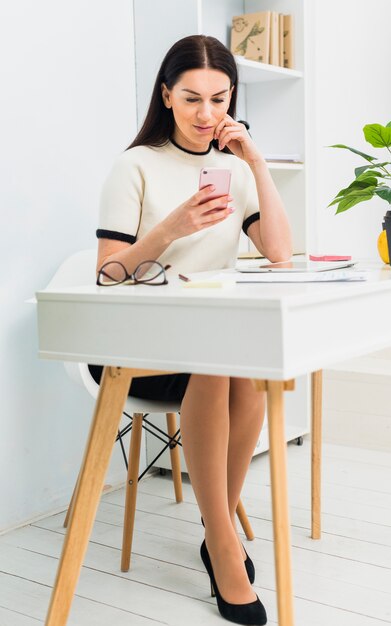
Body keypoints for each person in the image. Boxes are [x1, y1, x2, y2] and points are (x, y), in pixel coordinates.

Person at [91, 34, 292, 625]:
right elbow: (108, 274)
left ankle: (217, 530)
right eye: (192, 98)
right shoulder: (135, 165)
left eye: (220, 99)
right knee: (218, 360)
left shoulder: (233, 166)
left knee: (243, 373)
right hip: (134, 344)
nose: (208, 114)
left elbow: (279, 251)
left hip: (213, 344)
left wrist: (254, 160)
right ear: (166, 96)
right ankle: (224, 547)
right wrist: (173, 227)